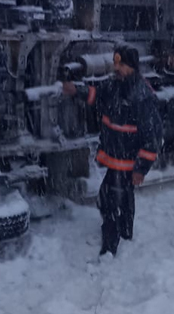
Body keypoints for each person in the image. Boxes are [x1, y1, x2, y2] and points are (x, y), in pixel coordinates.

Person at [62, 44, 164, 256]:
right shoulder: (114, 86)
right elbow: (96, 95)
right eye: (116, 64)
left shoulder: (142, 97)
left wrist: (141, 168)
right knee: (124, 196)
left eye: (122, 65)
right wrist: (76, 91)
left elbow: (152, 138)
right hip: (116, 159)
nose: (117, 68)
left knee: (108, 200)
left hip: (126, 162)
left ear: (132, 68)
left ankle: (109, 248)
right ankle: (126, 232)